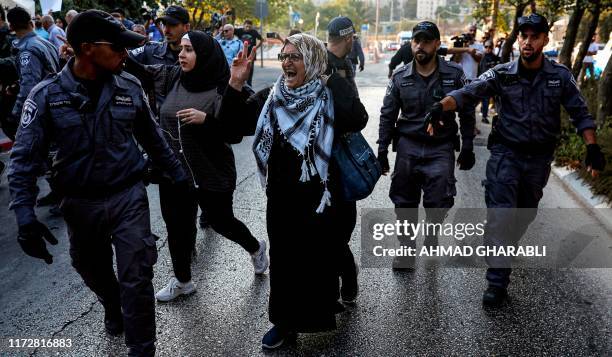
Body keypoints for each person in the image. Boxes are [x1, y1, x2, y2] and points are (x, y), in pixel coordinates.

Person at [8, 10, 188, 356]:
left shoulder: (130, 87)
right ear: (88, 48)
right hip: (79, 203)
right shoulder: (46, 96)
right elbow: (23, 159)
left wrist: (179, 178)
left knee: (137, 276)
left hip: (127, 196)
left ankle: (142, 349)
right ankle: (110, 302)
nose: (125, 54)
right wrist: (25, 216)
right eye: (118, 47)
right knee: (92, 270)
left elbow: (154, 142)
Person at [429, 13, 605, 307]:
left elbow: (580, 112)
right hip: (506, 156)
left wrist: (592, 147)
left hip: (537, 160)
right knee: (501, 217)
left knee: (524, 215)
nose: (527, 41)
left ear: (545, 39)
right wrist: (440, 107)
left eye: (534, 36)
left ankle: (501, 245)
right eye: (523, 36)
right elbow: (468, 92)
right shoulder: (501, 73)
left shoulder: (559, 77)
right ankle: (496, 283)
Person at [219, 33, 368, 349]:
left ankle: (342, 280)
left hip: (327, 195)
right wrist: (234, 85)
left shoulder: (329, 93)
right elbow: (230, 128)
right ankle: (285, 324)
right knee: (286, 259)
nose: (287, 62)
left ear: (313, 61)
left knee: (326, 253)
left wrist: (330, 79)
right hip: (284, 197)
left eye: (295, 56)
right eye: (283, 56)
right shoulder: (272, 97)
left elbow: (359, 117)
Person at [128, 31, 269, 302]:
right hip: (174, 172)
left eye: (189, 49)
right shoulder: (170, 77)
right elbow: (136, 69)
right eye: (181, 49)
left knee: (221, 222)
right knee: (177, 228)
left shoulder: (223, 86)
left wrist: (211, 115)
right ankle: (182, 280)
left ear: (204, 54)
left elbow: (233, 132)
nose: (181, 54)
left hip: (211, 171)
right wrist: (108, 44)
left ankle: (254, 247)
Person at [377, 21, 476, 269]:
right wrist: (382, 150)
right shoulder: (400, 77)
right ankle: (407, 249)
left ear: (436, 44)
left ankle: (432, 235)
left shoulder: (454, 74)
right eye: (416, 41)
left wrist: (468, 146)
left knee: (439, 198)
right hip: (408, 145)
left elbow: (466, 111)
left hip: (441, 147)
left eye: (426, 41)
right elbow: (388, 114)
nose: (420, 46)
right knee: (404, 201)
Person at [325, 16, 364, 305]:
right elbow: (357, 116)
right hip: (324, 161)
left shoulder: (344, 66)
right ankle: (343, 281)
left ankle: (346, 278)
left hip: (342, 159)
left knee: (342, 225)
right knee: (333, 229)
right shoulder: (322, 66)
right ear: (349, 39)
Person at [6, 7, 59, 141]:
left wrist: (16, 114)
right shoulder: (46, 43)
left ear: (11, 26)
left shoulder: (27, 50)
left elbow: (29, 88)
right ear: (31, 22)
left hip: (41, 113)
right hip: (53, 107)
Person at [235, 19, 265, 86]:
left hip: (251, 54)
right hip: (241, 54)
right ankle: (241, 84)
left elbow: (262, 39)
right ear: (243, 26)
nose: (248, 28)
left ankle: (249, 85)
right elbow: (229, 31)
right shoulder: (239, 31)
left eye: (249, 27)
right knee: (241, 69)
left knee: (250, 70)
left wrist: (256, 47)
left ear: (252, 27)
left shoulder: (254, 32)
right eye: (246, 26)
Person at [478, 40, 500, 124]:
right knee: (484, 100)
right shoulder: (481, 57)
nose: (488, 49)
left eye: (490, 47)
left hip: (494, 83)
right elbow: (480, 70)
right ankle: (484, 116)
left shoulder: (495, 58)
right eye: (486, 47)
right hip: (483, 82)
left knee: (496, 100)